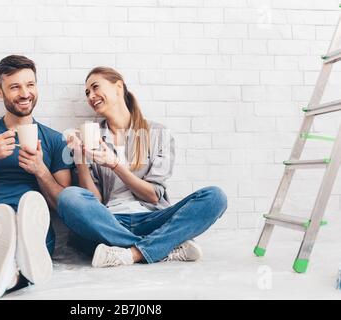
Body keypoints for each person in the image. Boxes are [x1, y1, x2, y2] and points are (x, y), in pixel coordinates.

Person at [57, 67, 227, 268]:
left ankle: (131, 253)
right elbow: (95, 201)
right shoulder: (91, 135)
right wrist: (80, 158)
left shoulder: (158, 134)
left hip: (154, 219)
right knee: (68, 197)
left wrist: (116, 165)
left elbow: (153, 196)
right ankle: (162, 248)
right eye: (87, 93)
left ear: (118, 86)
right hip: (109, 222)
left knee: (215, 197)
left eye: (95, 88)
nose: (91, 96)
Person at [0, 55, 72, 298]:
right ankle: (17, 273)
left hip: (34, 222)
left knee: (31, 233)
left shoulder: (55, 139)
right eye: (15, 86)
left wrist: (41, 170)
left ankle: (8, 272)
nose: (25, 93)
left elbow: (64, 205)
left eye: (30, 84)